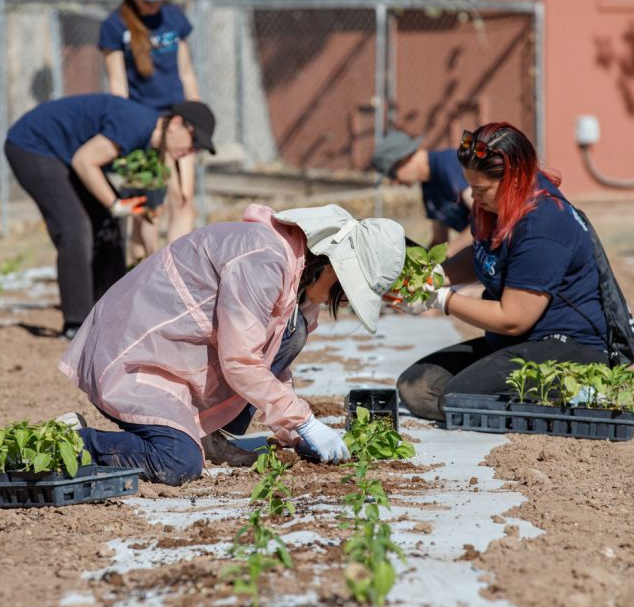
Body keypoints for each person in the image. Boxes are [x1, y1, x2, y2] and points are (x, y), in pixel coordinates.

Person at [58, 203, 406, 484]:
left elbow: (270, 357)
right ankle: (72, 441)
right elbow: (242, 361)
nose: (342, 303)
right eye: (345, 292)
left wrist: (293, 433)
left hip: (176, 356)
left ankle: (205, 434)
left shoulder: (294, 274)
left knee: (294, 330)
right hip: (134, 356)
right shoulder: (264, 260)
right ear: (331, 264)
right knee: (178, 462)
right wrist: (305, 421)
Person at [397, 122, 611, 421]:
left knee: (459, 399)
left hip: (568, 347)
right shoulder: (495, 206)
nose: (473, 196)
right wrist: (436, 275)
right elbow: (481, 254)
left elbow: (513, 319)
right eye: (470, 185)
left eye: (481, 189)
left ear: (514, 179)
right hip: (516, 343)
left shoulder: (543, 225)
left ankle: (583, 390)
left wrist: (441, 299)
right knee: (416, 387)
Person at [4, 94, 216, 340]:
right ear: (177, 123)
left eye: (197, 148)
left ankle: (110, 310)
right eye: (194, 140)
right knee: (76, 227)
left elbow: (147, 215)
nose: (192, 150)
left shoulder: (152, 149)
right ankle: (77, 322)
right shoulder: (136, 124)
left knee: (108, 220)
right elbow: (84, 161)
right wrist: (115, 204)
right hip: (32, 145)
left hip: (64, 155)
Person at [99, 0, 202, 257]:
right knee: (147, 207)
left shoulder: (174, 18)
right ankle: (144, 271)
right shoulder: (115, 27)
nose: (155, 3)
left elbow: (186, 72)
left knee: (183, 198)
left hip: (179, 122)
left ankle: (175, 273)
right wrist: (127, 132)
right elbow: (117, 86)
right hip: (142, 124)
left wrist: (196, 119)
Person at [372, 130, 472, 253]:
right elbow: (439, 239)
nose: (395, 183)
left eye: (392, 175)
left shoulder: (448, 164)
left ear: (406, 158)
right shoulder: (428, 188)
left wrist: (447, 252)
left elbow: (487, 220)